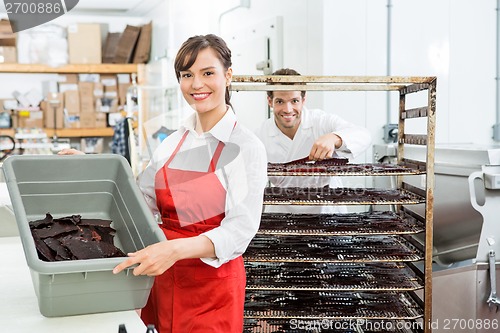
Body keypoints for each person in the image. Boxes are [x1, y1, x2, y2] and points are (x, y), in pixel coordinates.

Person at [61, 34, 268, 332]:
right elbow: (139, 202)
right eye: (187, 75)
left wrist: (173, 250)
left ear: (228, 75)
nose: (197, 84)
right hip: (160, 279)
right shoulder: (171, 143)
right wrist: (94, 169)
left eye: (207, 73)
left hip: (211, 288)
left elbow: (240, 230)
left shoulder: (246, 147)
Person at [254, 68, 372, 214]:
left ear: (303, 100)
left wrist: (334, 138)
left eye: (294, 101)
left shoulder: (321, 122)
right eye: (280, 101)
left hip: (327, 210)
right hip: (282, 212)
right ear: (270, 101)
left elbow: (364, 135)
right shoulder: (259, 135)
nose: (288, 109)